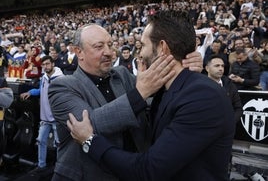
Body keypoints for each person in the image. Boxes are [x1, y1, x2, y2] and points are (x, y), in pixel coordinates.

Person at [67, 10, 235, 181]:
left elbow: (149, 170)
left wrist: (90, 141)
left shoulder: (202, 96)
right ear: (78, 52)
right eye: (98, 46)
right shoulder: (170, 91)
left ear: (162, 48)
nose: (140, 54)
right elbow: (87, 120)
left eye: (143, 45)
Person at [48, 22, 203, 181]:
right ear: (78, 52)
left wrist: (184, 68)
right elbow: (90, 125)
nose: (109, 52)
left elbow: (154, 94)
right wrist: (139, 93)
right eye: (99, 46)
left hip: (134, 170)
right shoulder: (61, 87)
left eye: (110, 44)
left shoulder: (121, 74)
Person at [20, 55, 63, 171]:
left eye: (47, 64)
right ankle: (41, 165)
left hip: (56, 118)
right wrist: (30, 92)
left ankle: (59, 168)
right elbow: (41, 90)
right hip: (45, 117)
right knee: (41, 141)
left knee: (59, 144)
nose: (45, 66)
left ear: (53, 64)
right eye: (43, 65)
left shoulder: (60, 79)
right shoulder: (44, 77)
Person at [205, 55, 243, 122]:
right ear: (207, 68)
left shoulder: (231, 86)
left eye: (222, 66)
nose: (221, 68)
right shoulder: (199, 85)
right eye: (217, 66)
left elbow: (238, 109)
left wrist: (230, 122)